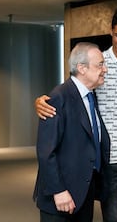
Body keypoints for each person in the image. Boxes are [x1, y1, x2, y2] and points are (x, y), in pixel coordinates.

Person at [35, 8, 117, 222]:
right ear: (111, 32)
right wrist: (41, 101)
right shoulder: (96, 61)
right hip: (109, 159)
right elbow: (71, 90)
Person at [33, 42, 110, 222]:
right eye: (100, 64)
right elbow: (46, 152)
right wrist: (58, 191)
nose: (105, 69)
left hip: (83, 192)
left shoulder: (91, 96)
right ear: (81, 68)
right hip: (60, 196)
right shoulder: (58, 97)